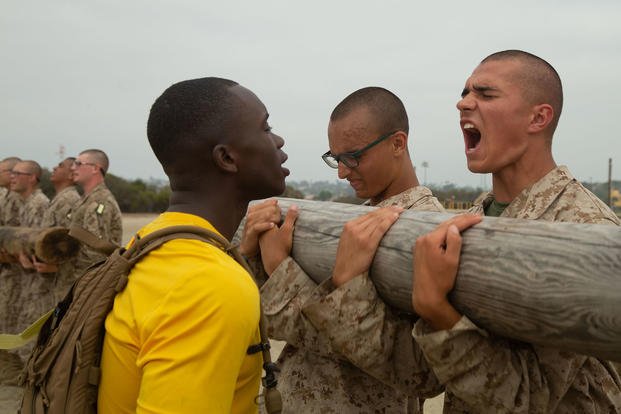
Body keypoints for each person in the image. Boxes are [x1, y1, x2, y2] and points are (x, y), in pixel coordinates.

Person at [311, 50, 621, 412]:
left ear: (538, 117)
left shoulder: (585, 230)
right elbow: (419, 376)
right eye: (464, 93)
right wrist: (347, 290)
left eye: (485, 94)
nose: (463, 103)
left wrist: (439, 312)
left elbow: (528, 399)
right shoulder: (467, 222)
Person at [240, 87, 444, 413]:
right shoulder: (355, 218)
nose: (342, 172)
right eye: (335, 158)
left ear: (397, 143)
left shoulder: (426, 230)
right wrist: (253, 259)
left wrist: (280, 269)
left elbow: (420, 371)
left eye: (353, 157)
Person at [98, 77, 290, 414]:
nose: (278, 139)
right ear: (227, 158)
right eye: (265, 127)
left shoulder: (149, 242)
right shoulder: (208, 286)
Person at [33, 157, 82, 302]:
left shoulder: (69, 200)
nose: (54, 168)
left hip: (61, 280)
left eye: (60, 166)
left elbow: (69, 244)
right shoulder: (59, 199)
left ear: (71, 175)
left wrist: (56, 267)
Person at [69, 149, 122, 273]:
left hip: (86, 282)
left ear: (95, 168)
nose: (72, 168)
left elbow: (97, 253)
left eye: (78, 163)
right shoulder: (86, 200)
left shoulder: (100, 200)